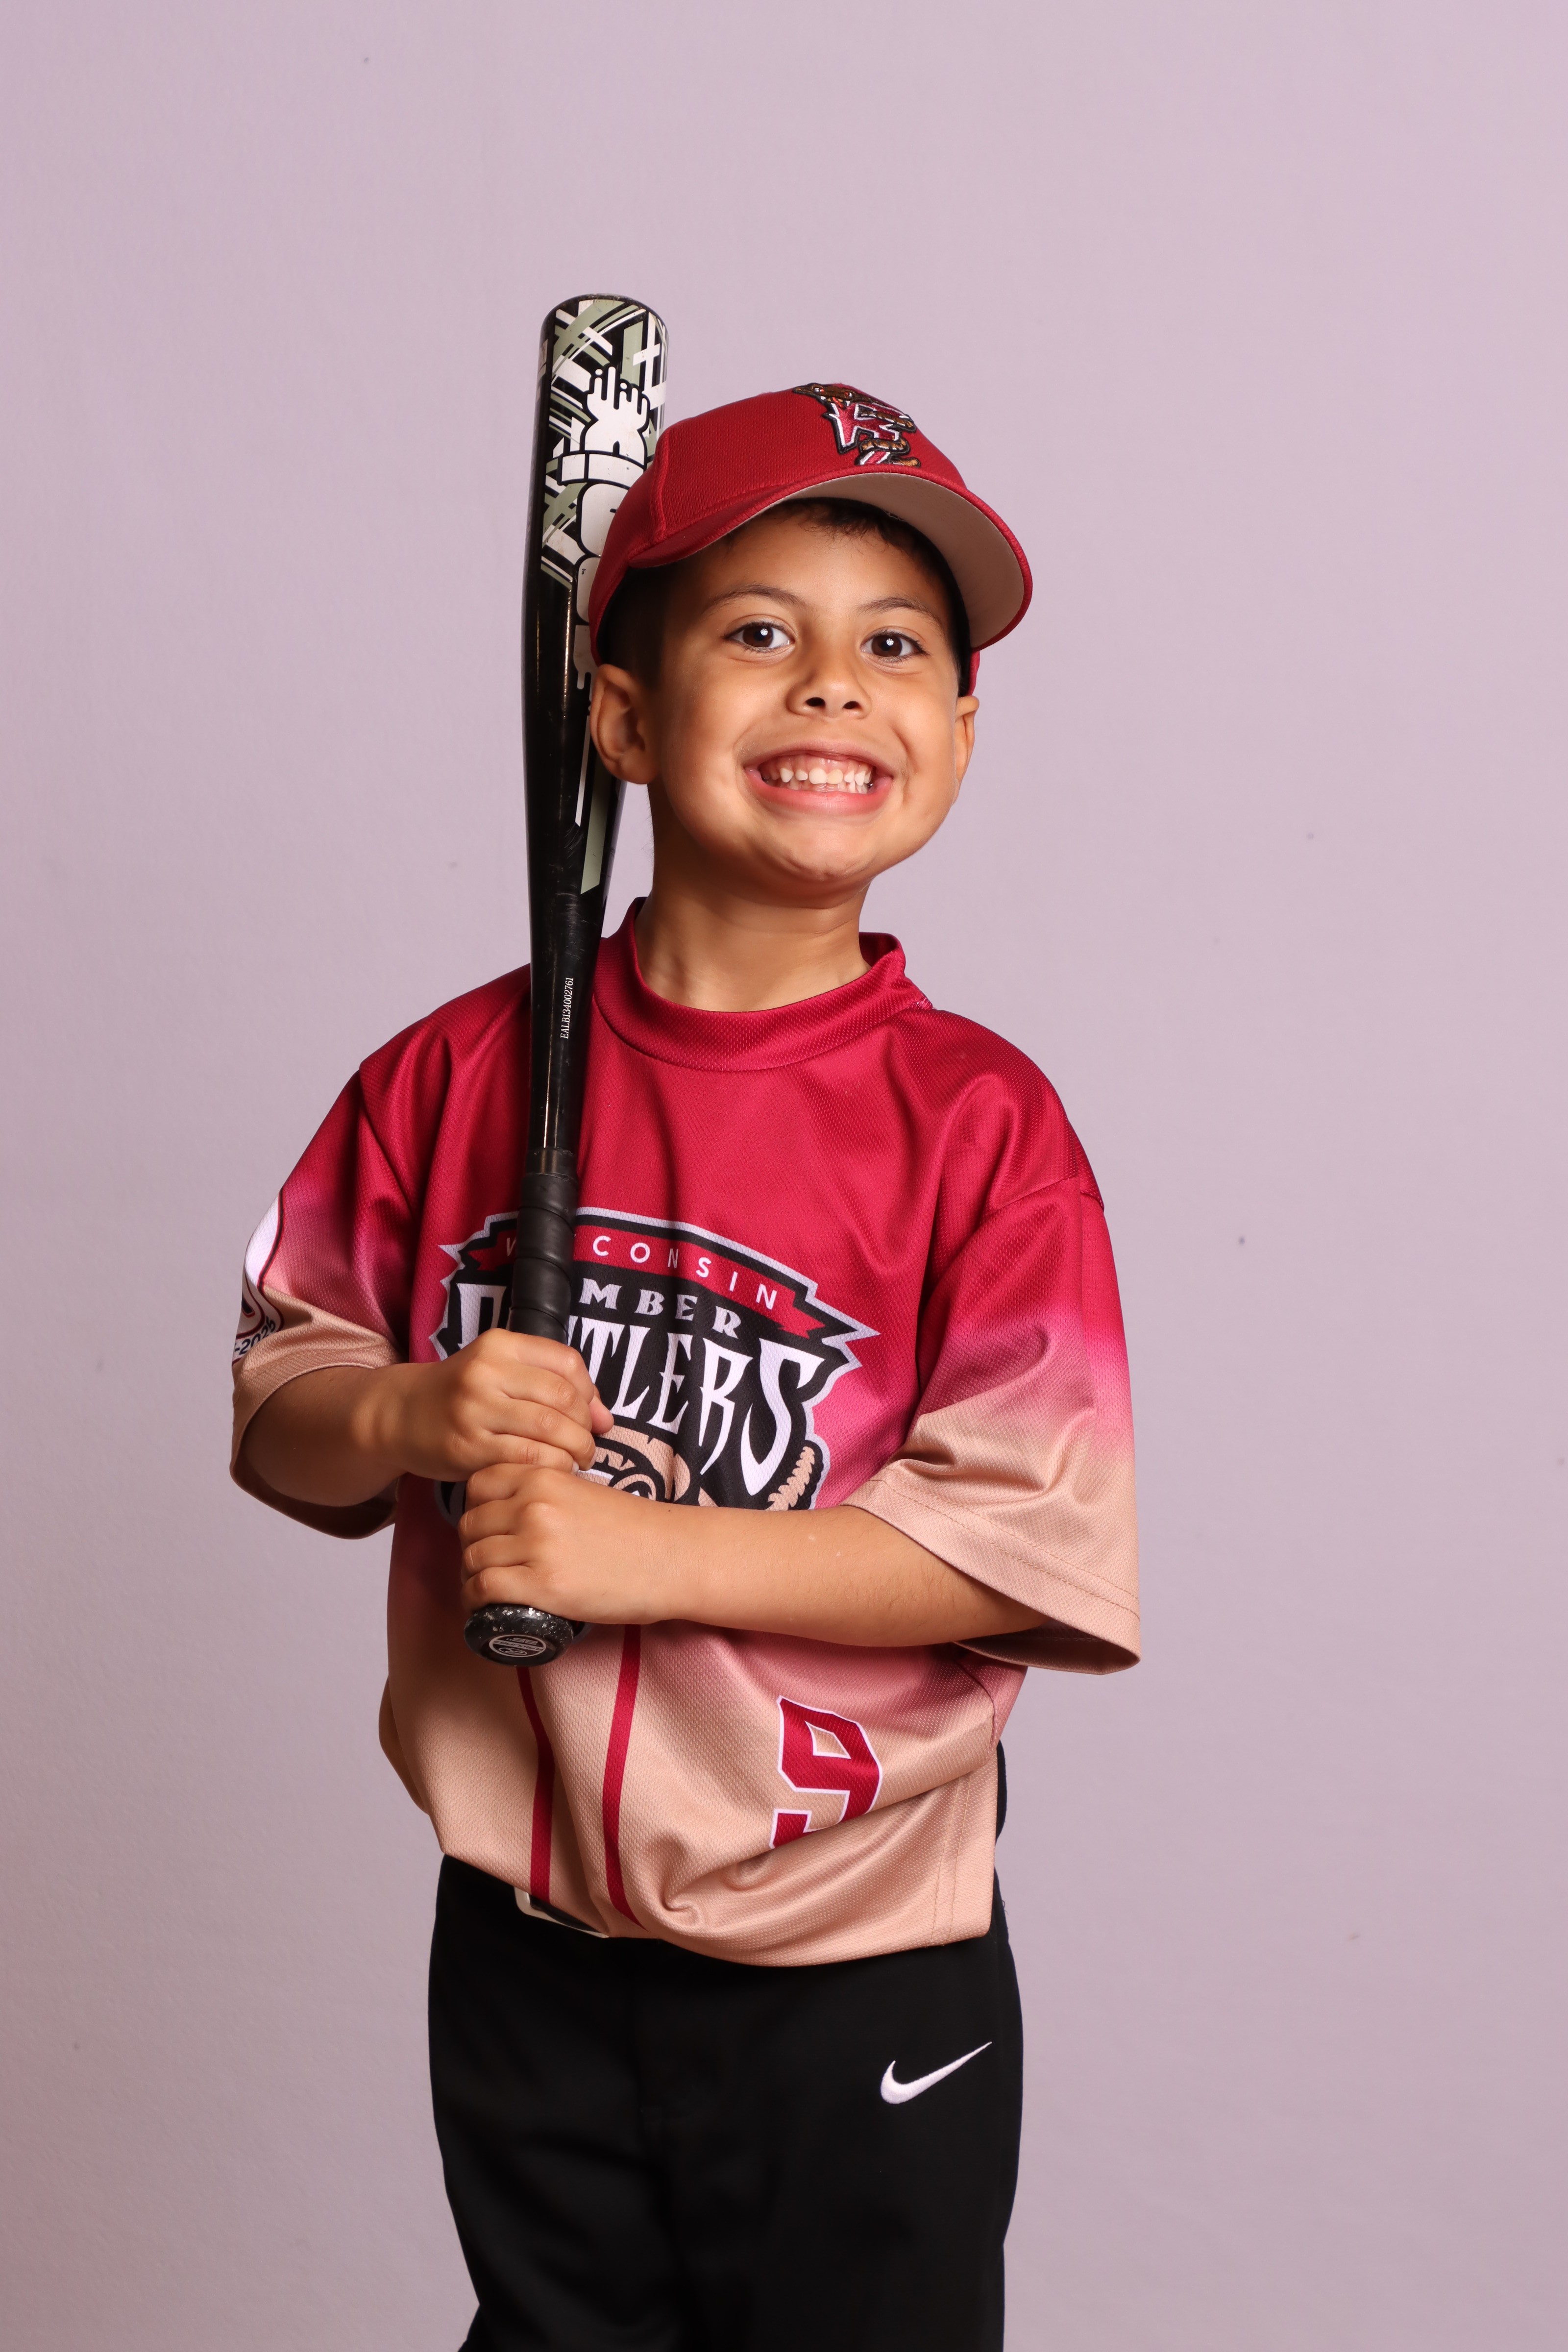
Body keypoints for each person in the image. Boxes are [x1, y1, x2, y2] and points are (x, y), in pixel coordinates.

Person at [230, 381, 1139, 2352]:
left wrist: (647, 1557)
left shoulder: (981, 1130)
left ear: (959, 733)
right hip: (526, 1936)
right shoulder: (451, 1078)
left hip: (857, 1952)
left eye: (895, 647)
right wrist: (402, 1411)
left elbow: (1020, 1551)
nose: (833, 686)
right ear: (624, 723)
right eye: (758, 631)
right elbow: (283, 1416)